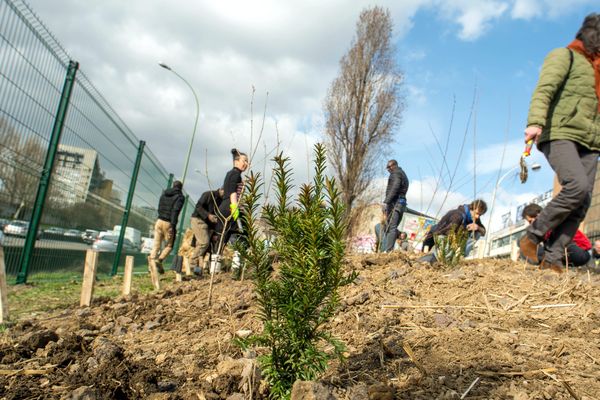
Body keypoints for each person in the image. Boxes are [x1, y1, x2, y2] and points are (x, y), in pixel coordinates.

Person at [519, 14, 600, 270]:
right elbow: (545, 88)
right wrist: (535, 122)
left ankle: (552, 259)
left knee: (583, 200)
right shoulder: (564, 56)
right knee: (575, 186)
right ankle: (532, 237)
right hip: (560, 132)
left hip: (591, 140)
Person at [520, 203, 591, 269]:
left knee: (553, 243)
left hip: (580, 252)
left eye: (535, 217)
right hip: (563, 252)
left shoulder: (554, 220)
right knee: (526, 248)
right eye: (530, 221)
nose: (533, 222)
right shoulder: (542, 229)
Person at [420, 200, 487, 263]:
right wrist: (464, 229)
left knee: (477, 232)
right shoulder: (457, 215)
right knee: (433, 259)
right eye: (477, 213)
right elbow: (447, 233)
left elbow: (483, 232)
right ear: (472, 208)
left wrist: (477, 227)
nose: (478, 217)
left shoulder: (474, 218)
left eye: (480, 215)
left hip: (452, 240)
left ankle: (460, 255)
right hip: (437, 236)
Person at [214, 149, 248, 254]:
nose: (246, 164)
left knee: (223, 236)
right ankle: (238, 262)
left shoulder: (230, 173)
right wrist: (234, 207)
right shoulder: (235, 174)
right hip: (230, 207)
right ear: (236, 161)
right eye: (244, 161)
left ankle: (215, 265)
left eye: (247, 161)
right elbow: (232, 192)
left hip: (223, 207)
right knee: (244, 233)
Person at [150, 180, 185, 273]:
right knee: (169, 245)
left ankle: (151, 266)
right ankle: (159, 260)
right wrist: (172, 226)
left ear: (173, 186)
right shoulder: (180, 197)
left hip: (159, 220)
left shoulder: (164, 194)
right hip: (168, 223)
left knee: (156, 245)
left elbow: (159, 206)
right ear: (181, 188)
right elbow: (175, 211)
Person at [189, 188, 223, 276]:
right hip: (199, 220)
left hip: (209, 226)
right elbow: (198, 206)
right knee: (204, 243)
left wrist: (215, 232)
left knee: (202, 247)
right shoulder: (208, 195)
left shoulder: (221, 201)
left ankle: (197, 270)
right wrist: (207, 215)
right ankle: (192, 264)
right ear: (222, 190)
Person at [380, 159, 409, 252]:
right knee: (393, 227)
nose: (388, 169)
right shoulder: (403, 174)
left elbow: (395, 187)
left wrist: (386, 202)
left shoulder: (395, 173)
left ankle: (388, 251)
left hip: (395, 203)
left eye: (389, 167)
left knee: (390, 227)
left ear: (394, 165)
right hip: (402, 203)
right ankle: (389, 249)